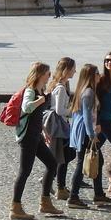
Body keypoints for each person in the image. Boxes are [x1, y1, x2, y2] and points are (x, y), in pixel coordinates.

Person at [10, 61, 62, 220]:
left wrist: (44, 131)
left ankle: (45, 202)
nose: (50, 75)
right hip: (27, 137)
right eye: (48, 73)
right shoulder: (30, 91)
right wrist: (41, 100)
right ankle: (15, 207)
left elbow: (37, 115)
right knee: (24, 171)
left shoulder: (40, 89)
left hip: (36, 135)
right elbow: (27, 108)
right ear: (40, 74)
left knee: (52, 164)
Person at [67, 63, 106, 209]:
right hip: (85, 132)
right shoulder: (88, 92)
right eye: (97, 73)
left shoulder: (85, 90)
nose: (99, 75)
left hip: (83, 131)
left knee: (96, 161)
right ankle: (74, 197)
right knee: (82, 163)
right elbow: (87, 116)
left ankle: (98, 194)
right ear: (91, 75)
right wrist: (91, 135)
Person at [44, 57, 75, 200]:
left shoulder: (57, 85)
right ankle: (54, 182)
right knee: (64, 156)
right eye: (73, 68)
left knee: (63, 156)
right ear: (67, 70)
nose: (75, 71)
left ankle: (50, 179)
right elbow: (59, 110)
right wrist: (73, 110)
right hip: (59, 126)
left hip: (58, 125)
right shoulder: (61, 88)